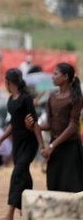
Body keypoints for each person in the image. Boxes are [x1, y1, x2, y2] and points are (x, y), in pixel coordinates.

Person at [0, 68, 44, 220]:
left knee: (17, 174)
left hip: (29, 143)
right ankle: (28, 209)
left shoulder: (25, 99)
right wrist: (1, 139)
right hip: (18, 143)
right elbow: (13, 125)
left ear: (8, 82)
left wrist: (41, 145)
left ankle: (9, 214)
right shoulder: (10, 100)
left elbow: (34, 123)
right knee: (24, 176)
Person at [25, 62, 83, 192]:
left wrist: (51, 146)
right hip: (55, 150)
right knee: (54, 185)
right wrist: (34, 126)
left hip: (70, 149)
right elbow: (51, 124)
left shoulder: (75, 98)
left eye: (56, 74)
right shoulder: (52, 98)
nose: (52, 77)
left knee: (72, 187)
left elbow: (73, 126)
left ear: (66, 77)